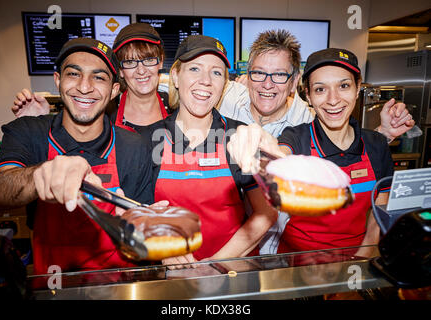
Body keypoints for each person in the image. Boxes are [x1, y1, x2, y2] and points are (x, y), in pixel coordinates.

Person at [219, 29, 414, 254]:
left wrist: (381, 137)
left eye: (279, 75)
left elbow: (293, 151)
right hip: (243, 239)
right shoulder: (226, 96)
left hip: (277, 243)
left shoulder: (303, 118)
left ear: (295, 86)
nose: (267, 84)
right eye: (259, 73)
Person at [0, 38, 155, 274]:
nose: (85, 87)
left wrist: (143, 223)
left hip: (119, 285)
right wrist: (42, 173)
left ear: (114, 90)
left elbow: (141, 236)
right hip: (54, 286)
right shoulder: (29, 131)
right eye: (74, 74)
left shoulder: (133, 145)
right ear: (58, 80)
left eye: (99, 77)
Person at [139, 35, 278, 268]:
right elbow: (137, 215)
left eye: (216, 72)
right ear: (175, 76)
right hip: (173, 274)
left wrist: (215, 264)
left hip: (233, 271)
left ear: (224, 84)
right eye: (194, 69)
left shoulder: (238, 136)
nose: (206, 81)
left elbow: (267, 213)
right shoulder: (147, 140)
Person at [11, 23, 170, 133]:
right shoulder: (103, 109)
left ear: (161, 61)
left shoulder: (178, 107)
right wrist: (40, 122)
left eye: (149, 60)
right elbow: (69, 140)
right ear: (120, 70)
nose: (141, 71)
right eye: (129, 62)